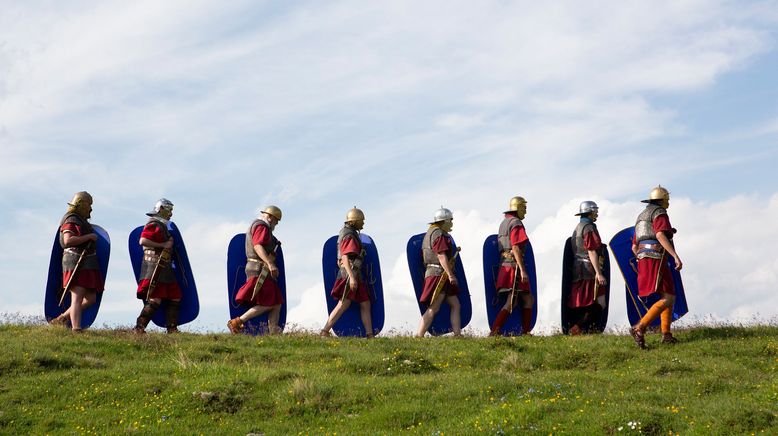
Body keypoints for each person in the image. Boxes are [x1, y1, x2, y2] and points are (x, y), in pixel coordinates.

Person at [629, 186, 683, 349]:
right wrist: (674, 255)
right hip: (656, 258)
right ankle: (640, 328)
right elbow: (659, 234)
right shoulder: (659, 213)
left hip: (643, 258)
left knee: (668, 293)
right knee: (668, 297)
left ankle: (666, 334)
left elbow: (634, 246)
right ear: (662, 200)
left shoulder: (641, 216)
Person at [49, 191, 104, 331]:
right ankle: (76, 328)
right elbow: (68, 241)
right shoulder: (71, 219)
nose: (91, 209)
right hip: (75, 261)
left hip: (87, 262)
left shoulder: (81, 221)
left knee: (90, 299)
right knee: (77, 297)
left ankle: (61, 319)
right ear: (82, 205)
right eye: (89, 205)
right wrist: (89, 237)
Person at [228, 206, 284, 334]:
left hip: (262, 269)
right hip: (259, 269)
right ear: (270, 217)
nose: (276, 224)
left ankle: (273, 331)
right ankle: (237, 322)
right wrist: (270, 263)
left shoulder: (263, 228)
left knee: (277, 303)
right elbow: (258, 246)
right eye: (276, 220)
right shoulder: (261, 226)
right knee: (269, 302)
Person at [320, 207, 374, 338]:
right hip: (350, 273)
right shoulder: (349, 234)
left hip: (355, 273)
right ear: (354, 221)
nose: (363, 223)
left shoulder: (349, 233)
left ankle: (370, 335)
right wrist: (352, 277)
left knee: (365, 303)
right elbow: (344, 256)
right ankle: (325, 331)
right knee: (344, 303)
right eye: (361, 220)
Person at [133, 199, 182, 334]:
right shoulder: (154, 223)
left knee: (175, 295)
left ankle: (172, 328)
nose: (171, 213)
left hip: (164, 267)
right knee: (155, 298)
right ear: (161, 209)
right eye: (169, 210)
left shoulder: (162, 226)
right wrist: (164, 245)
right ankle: (139, 327)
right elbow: (143, 241)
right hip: (155, 266)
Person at [490, 196, 535, 336]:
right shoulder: (516, 223)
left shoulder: (504, 222)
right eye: (524, 208)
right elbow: (515, 247)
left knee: (527, 299)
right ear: (518, 208)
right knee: (511, 302)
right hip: (514, 268)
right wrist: (522, 270)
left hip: (506, 264)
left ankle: (525, 332)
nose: (525, 212)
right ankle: (495, 331)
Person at [415, 207, 462, 337]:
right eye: (450, 220)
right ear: (444, 221)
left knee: (455, 304)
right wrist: (451, 275)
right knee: (434, 308)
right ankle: (419, 335)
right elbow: (441, 256)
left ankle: (458, 334)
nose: (451, 223)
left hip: (441, 274)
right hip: (438, 274)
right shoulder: (438, 234)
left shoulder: (430, 233)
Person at [567, 201, 608, 335]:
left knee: (582, 302)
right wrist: (598, 273)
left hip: (577, 269)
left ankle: (582, 330)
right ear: (590, 212)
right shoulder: (589, 228)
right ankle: (578, 328)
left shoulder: (577, 228)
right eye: (595, 211)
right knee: (598, 302)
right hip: (589, 269)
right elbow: (591, 250)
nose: (596, 214)